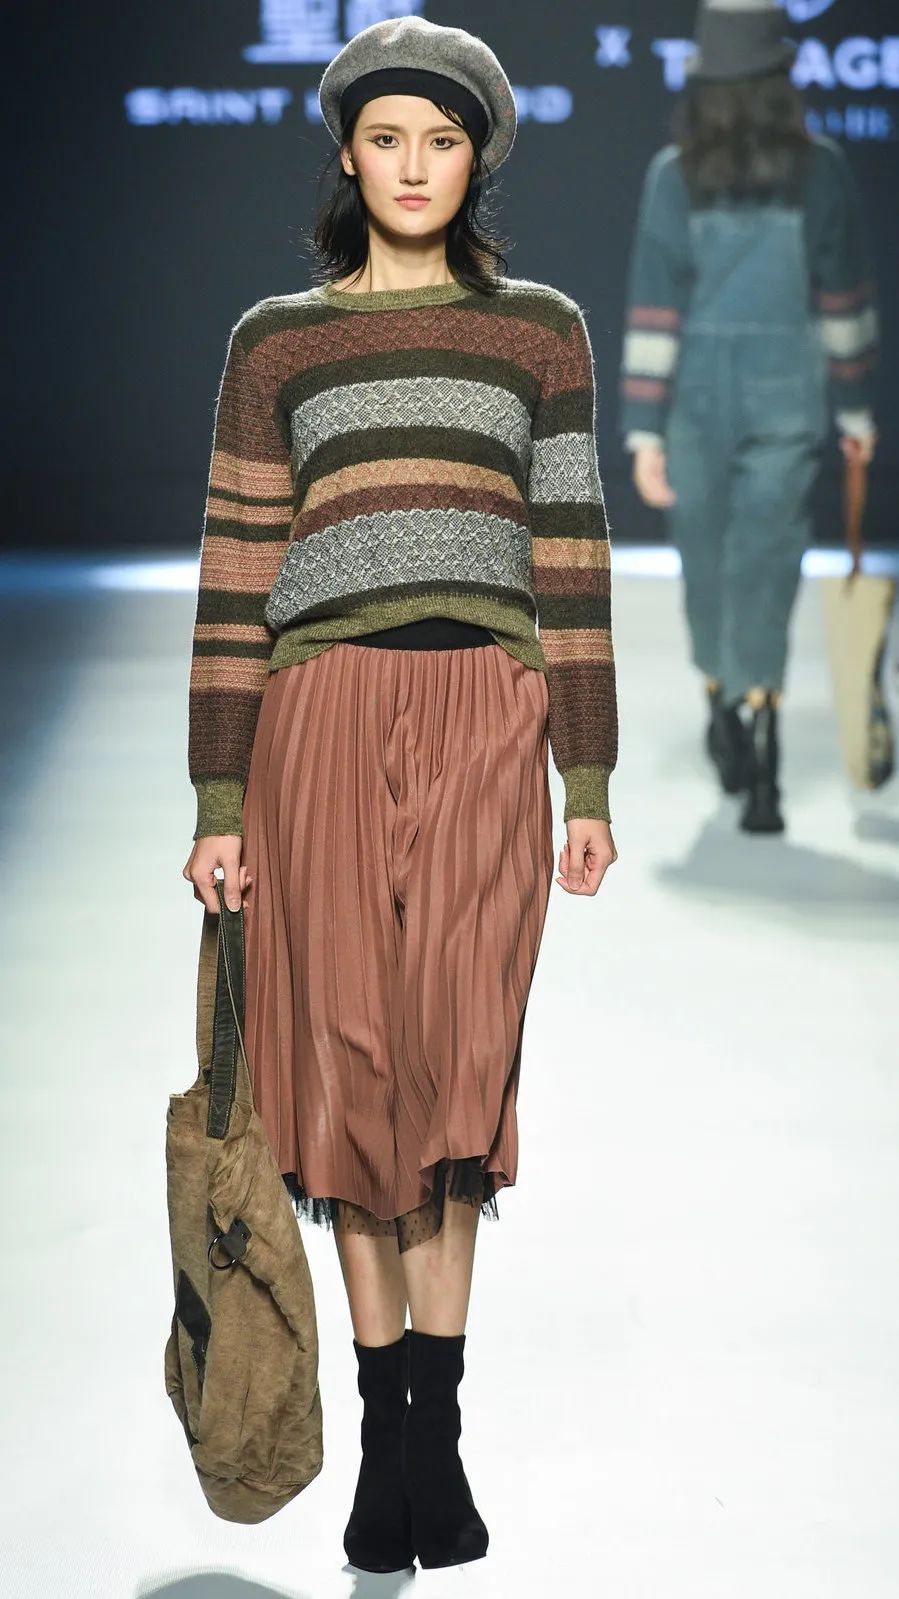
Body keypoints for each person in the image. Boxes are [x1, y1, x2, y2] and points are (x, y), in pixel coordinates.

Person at [181, 15, 619, 1574]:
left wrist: (586, 768)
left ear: (474, 156)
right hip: (314, 717)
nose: (413, 166)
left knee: (453, 1073)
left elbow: (569, 552)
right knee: (348, 1073)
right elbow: (238, 566)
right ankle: (392, 1440)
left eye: (441, 140)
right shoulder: (276, 343)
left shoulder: (538, 332)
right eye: (387, 139)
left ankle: (433, 1420)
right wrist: (216, 795)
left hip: (489, 711)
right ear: (346, 154)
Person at [620, 0, 879, 833]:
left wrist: (644, 429)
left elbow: (655, 308)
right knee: (764, 562)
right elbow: (842, 301)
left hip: (695, 398)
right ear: (780, 82)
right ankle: (759, 741)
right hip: (785, 391)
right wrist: (854, 408)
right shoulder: (820, 169)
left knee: (705, 559)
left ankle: (722, 705)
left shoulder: (672, 173)